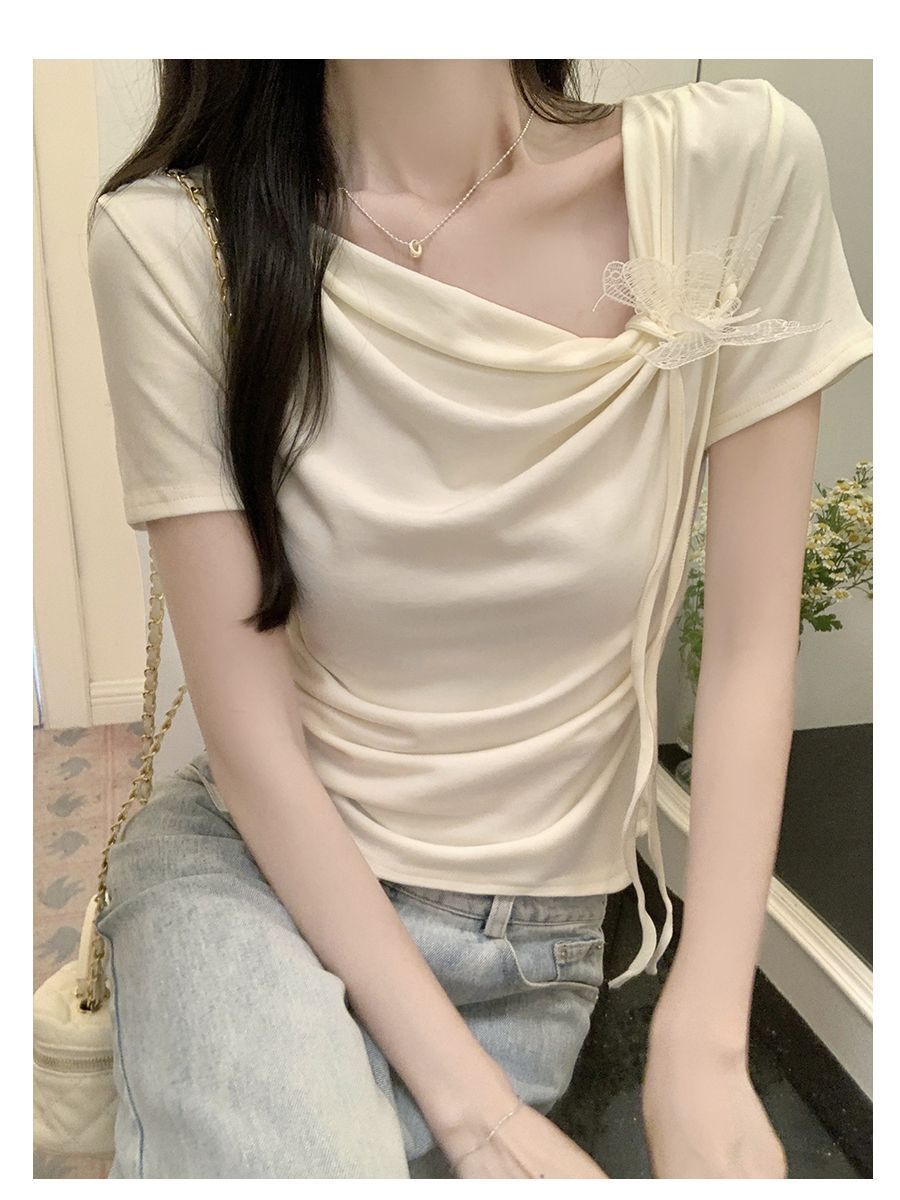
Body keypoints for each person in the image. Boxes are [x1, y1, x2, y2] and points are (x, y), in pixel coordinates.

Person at [86, 60, 873, 1179]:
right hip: (255, 879)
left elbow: (751, 650)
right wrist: (480, 1120)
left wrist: (705, 1039)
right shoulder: (172, 242)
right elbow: (255, 751)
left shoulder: (734, 166)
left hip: (528, 953)